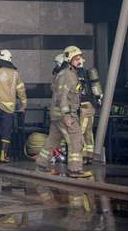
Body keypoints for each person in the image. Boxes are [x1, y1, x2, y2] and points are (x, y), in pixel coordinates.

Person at [36, 46, 93, 178]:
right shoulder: (67, 75)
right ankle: (75, 169)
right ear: (69, 59)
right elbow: (62, 96)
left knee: (53, 140)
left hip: (57, 115)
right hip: (65, 115)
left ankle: (41, 164)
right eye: (77, 59)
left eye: (80, 58)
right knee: (76, 139)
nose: (81, 61)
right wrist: (67, 116)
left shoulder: (70, 73)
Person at [0, 50, 27, 163]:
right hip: (9, 107)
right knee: (6, 130)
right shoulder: (15, 73)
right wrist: (23, 106)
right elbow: (21, 91)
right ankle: (4, 155)